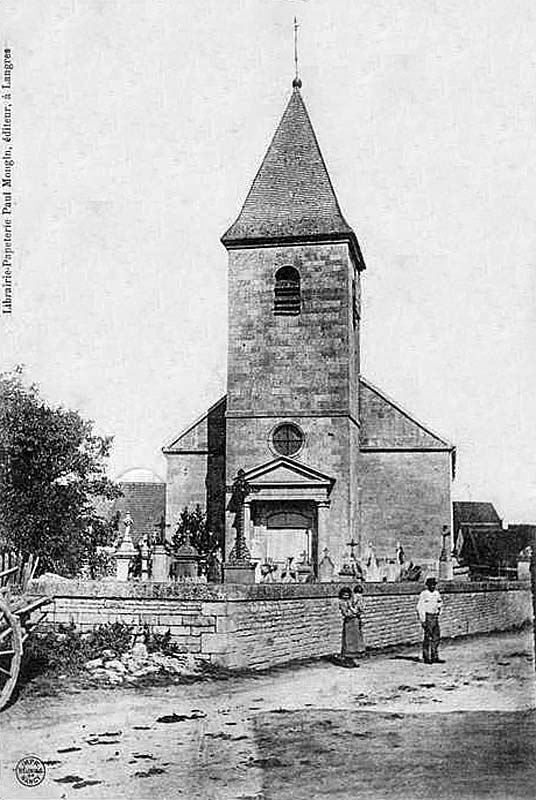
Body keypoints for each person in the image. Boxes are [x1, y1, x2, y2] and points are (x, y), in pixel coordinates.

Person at [416, 577, 444, 664]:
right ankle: (426, 657)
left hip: (434, 616)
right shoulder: (424, 594)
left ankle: (435, 656)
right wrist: (423, 620)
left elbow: (440, 603)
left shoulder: (436, 593)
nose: (433, 586)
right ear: (427, 585)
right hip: (428, 616)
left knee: (436, 637)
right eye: (431, 585)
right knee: (428, 637)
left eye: (434, 585)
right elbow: (420, 607)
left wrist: (439, 611)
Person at [338, 585, 365, 667]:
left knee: (355, 641)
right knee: (348, 640)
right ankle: (347, 659)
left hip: (355, 623)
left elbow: (358, 610)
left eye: (347, 595)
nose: (345, 596)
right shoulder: (342, 603)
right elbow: (346, 613)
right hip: (349, 623)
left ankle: (353, 659)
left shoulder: (351, 601)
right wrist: (354, 613)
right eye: (344, 595)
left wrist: (356, 612)